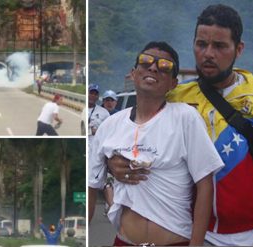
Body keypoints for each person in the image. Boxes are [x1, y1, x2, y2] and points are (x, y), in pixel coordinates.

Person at [107, 4, 253, 246]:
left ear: (239, 48)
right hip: (192, 234)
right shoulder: (173, 97)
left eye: (220, 46)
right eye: (201, 44)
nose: (208, 54)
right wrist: (113, 164)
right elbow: (129, 135)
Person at [88, 41, 225, 246]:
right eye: (145, 62)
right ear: (133, 73)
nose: (153, 67)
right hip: (124, 241)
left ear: (173, 83)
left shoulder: (185, 118)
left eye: (164, 66)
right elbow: (92, 186)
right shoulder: (110, 126)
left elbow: (205, 185)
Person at [88, 83, 110, 149]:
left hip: (97, 149)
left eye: (95, 94)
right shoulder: (81, 109)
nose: (93, 96)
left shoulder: (104, 112)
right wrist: (91, 131)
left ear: (98, 97)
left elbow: (109, 131)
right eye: (91, 93)